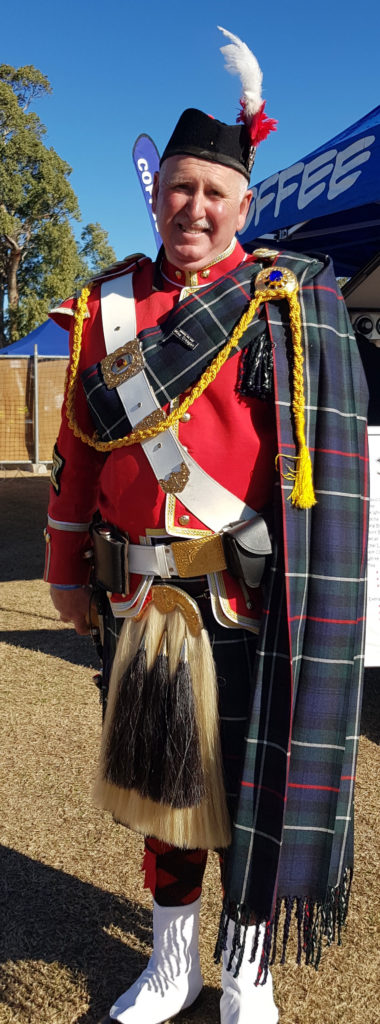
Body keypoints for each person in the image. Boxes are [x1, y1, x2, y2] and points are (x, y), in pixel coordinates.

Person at [45, 27, 368, 1024]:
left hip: (244, 595)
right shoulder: (106, 308)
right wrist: (64, 563)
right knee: (161, 791)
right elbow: (77, 454)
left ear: (242, 205)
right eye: (178, 188)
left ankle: (249, 979)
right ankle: (171, 965)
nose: (193, 206)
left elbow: (312, 466)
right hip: (138, 591)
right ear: (155, 194)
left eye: (212, 193)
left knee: (252, 793)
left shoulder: (284, 305)